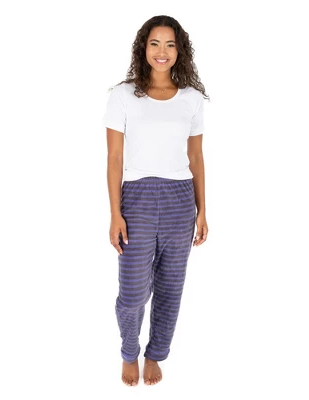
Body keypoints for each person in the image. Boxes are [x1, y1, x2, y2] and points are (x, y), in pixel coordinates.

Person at [102, 15, 209, 386]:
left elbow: (196, 157)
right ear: (143, 48)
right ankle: (128, 350)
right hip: (137, 198)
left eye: (170, 44)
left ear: (180, 50)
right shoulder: (123, 95)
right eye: (154, 43)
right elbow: (114, 158)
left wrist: (202, 211)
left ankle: (155, 354)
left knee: (170, 287)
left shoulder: (192, 99)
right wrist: (115, 214)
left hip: (180, 199)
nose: (162, 52)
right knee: (133, 292)